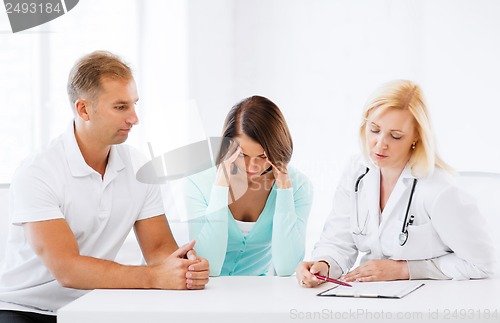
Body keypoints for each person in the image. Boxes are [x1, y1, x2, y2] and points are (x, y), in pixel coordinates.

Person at [0, 51, 209, 322]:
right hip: (24, 309)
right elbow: (67, 269)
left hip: (93, 304)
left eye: (134, 104)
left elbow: (158, 249)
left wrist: (185, 266)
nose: (134, 118)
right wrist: (154, 276)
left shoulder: (138, 168)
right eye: (121, 107)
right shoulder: (38, 172)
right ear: (83, 109)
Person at [296, 79, 496, 287]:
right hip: (370, 295)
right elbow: (338, 241)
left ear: (416, 137)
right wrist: (323, 264)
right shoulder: (357, 170)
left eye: (395, 136)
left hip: (426, 299)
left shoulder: (438, 189)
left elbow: (485, 263)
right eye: (374, 130)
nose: (380, 144)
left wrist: (405, 269)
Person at [183, 96, 313, 276]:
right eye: (242, 154)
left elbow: (287, 267)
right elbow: (208, 265)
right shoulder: (197, 181)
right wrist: (221, 184)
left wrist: (284, 189)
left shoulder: (299, 186)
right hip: (203, 291)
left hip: (259, 295)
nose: (252, 167)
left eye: (262, 157)